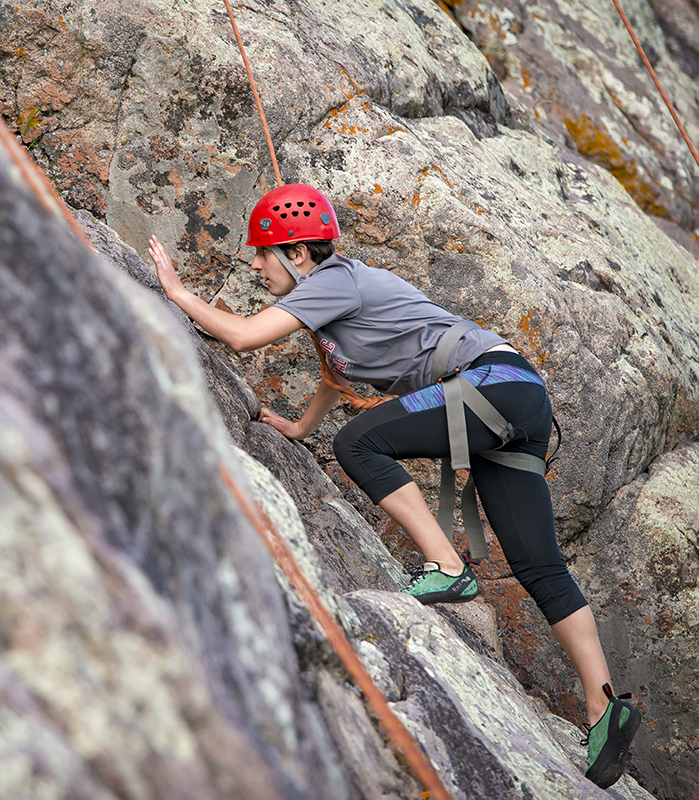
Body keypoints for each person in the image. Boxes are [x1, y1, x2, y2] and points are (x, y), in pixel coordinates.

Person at [148, 182, 639, 788]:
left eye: (262, 252)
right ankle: (604, 705)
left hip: (488, 383)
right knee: (538, 567)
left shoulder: (335, 279)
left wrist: (175, 293)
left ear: (299, 253)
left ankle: (444, 566)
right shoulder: (331, 299)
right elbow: (336, 372)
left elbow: (244, 335)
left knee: (357, 443)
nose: (254, 263)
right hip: (517, 395)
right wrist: (301, 425)